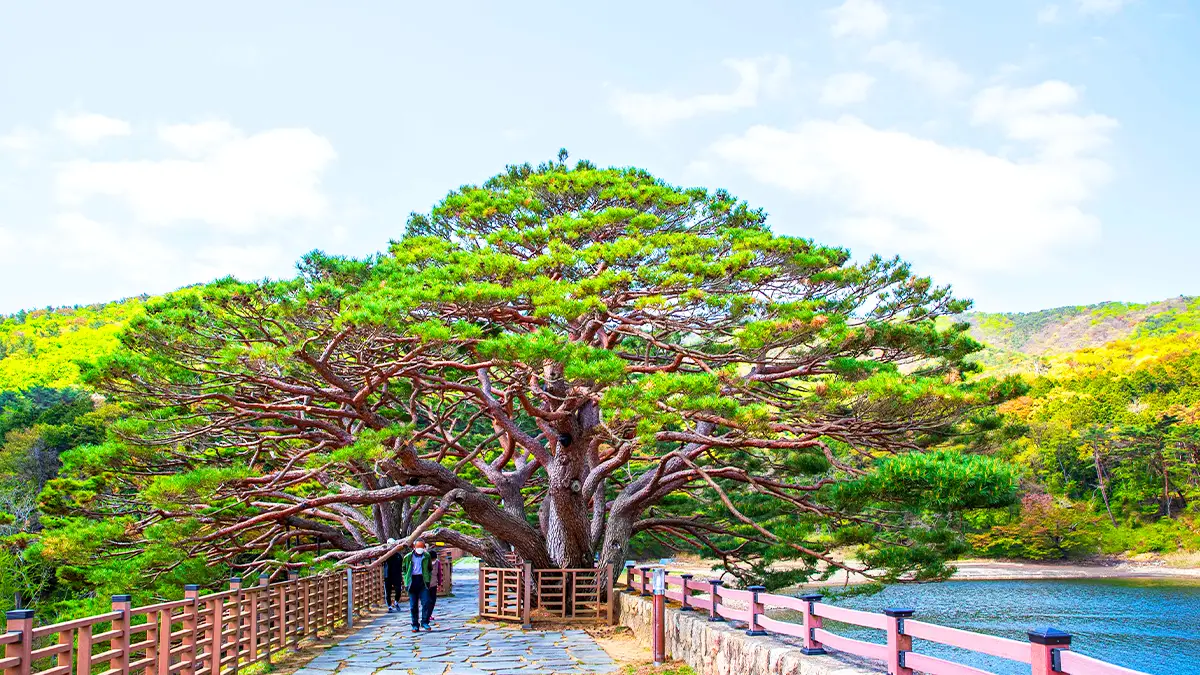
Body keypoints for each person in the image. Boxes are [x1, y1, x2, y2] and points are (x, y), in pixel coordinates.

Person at [402, 539, 434, 631]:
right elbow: (404, 569)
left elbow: (429, 568)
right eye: (418, 547)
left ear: (424, 547)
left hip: (423, 580)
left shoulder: (427, 556)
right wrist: (406, 580)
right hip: (412, 581)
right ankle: (415, 624)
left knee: (426, 602)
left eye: (422, 547)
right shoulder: (408, 557)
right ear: (414, 547)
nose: (420, 549)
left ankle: (425, 622)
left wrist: (428, 577)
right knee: (413, 605)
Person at [383, 539, 405, 612]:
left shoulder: (398, 555)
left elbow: (402, 565)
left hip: (397, 576)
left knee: (398, 590)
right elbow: (380, 561)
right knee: (388, 592)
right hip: (387, 576)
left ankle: (396, 602)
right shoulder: (385, 555)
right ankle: (389, 606)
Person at [426, 548, 444, 621]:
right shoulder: (425, 562)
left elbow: (439, 574)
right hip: (425, 584)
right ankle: (426, 614)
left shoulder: (437, 563)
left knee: (433, 601)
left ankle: (429, 614)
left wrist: (439, 584)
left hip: (433, 584)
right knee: (427, 600)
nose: (433, 561)